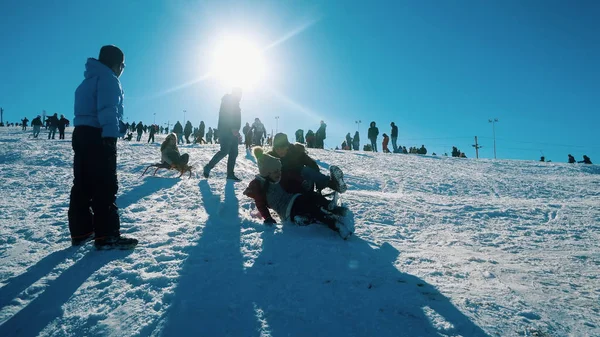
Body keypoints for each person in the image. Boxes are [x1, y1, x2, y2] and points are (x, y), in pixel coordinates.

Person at [68, 45, 137, 249]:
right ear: (116, 64)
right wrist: (110, 136)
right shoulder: (109, 79)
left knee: (82, 184)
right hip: (99, 136)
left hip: (81, 134)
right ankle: (107, 235)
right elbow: (107, 110)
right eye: (122, 65)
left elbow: (92, 111)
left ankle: (81, 231)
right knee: (105, 184)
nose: (122, 69)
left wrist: (119, 128)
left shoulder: (87, 81)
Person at [243, 147, 352, 239]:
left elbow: (291, 176)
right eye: (276, 171)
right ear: (266, 173)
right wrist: (267, 217)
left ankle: (331, 207)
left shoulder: (277, 176)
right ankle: (333, 223)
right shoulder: (259, 185)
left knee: (311, 196)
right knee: (311, 208)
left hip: (293, 199)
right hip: (286, 211)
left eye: (279, 170)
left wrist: (302, 181)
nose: (279, 173)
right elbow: (260, 203)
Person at [267, 133, 347, 195]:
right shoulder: (270, 157)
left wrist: (317, 181)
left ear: (287, 146)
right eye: (277, 148)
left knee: (307, 171)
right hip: (285, 185)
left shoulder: (295, 152)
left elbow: (311, 163)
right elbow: (265, 174)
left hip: (303, 182)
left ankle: (334, 184)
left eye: (283, 147)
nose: (280, 151)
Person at [203, 88, 243, 181]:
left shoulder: (235, 103)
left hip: (233, 132)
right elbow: (226, 115)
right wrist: (232, 128)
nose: (240, 96)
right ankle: (208, 167)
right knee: (224, 151)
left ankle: (230, 174)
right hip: (226, 131)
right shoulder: (228, 100)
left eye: (241, 94)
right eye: (239, 94)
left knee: (234, 153)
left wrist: (236, 130)